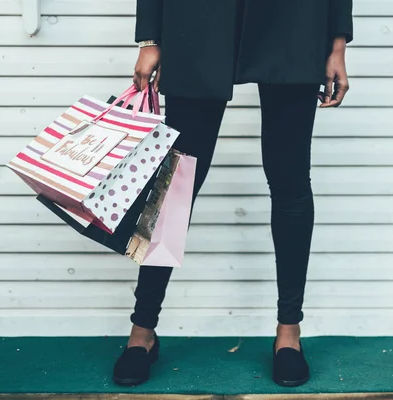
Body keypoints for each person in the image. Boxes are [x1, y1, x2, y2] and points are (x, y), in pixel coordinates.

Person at [113, 0, 353, 388]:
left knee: (290, 180)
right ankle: (142, 331)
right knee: (175, 185)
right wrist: (151, 38)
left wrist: (337, 44)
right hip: (197, 20)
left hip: (294, 22)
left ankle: (289, 332)